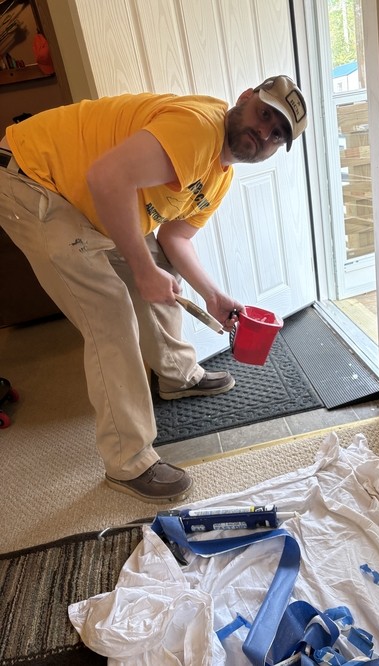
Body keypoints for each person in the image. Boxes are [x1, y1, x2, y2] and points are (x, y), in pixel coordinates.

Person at [0, 74, 308, 504]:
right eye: (264, 115)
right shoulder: (199, 128)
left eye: (277, 135)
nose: (264, 132)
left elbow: (174, 238)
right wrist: (142, 271)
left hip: (81, 189)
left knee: (157, 263)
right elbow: (107, 177)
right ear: (244, 98)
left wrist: (212, 296)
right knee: (109, 313)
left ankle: (177, 374)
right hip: (32, 176)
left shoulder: (219, 178)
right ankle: (128, 462)